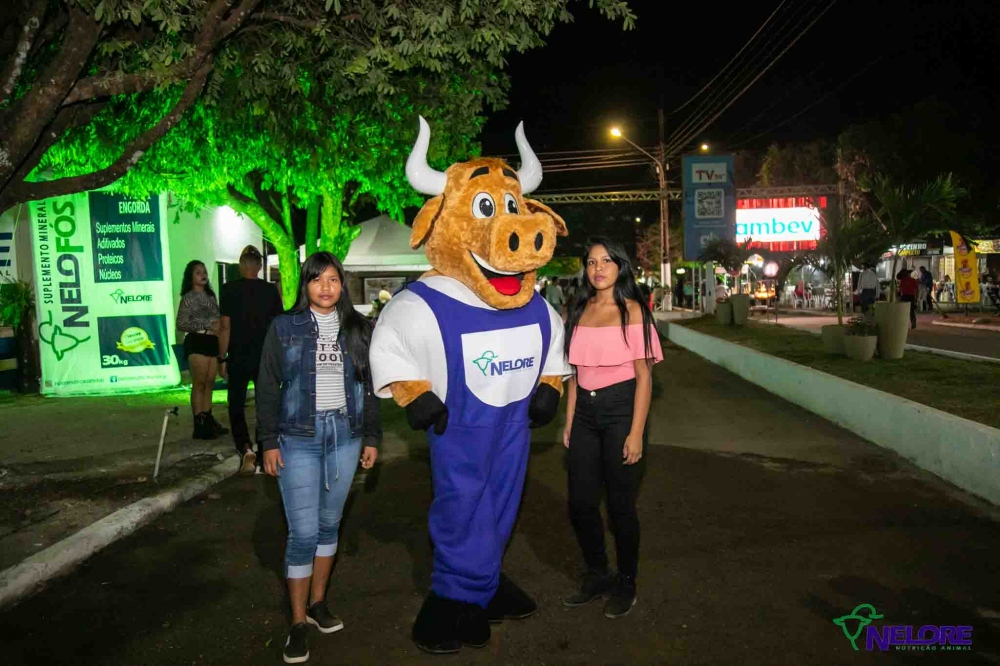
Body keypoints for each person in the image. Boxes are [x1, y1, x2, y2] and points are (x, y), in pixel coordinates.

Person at [257, 252, 382, 665]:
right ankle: (297, 623)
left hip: (345, 435)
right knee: (304, 531)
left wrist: (372, 436)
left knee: (330, 523)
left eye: (333, 279)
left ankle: (318, 603)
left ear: (342, 284)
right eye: (317, 279)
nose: (325, 287)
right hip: (297, 437)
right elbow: (268, 386)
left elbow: (370, 384)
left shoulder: (358, 328)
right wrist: (268, 441)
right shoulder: (284, 327)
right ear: (305, 284)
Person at [561, 238, 663, 620]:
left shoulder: (633, 311)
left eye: (606, 261)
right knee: (581, 503)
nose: (598, 268)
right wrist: (569, 422)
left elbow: (644, 377)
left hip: (621, 411)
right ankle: (597, 573)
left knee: (620, 506)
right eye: (591, 262)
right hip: (584, 416)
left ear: (620, 266)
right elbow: (575, 374)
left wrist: (636, 432)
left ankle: (626, 580)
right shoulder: (579, 309)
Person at [219, 245, 284, 475]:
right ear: (259, 266)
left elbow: (225, 327)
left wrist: (221, 357)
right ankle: (264, 448)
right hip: (264, 356)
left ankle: (245, 447)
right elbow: (278, 326)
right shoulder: (269, 290)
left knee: (236, 404)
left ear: (240, 266)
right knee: (265, 403)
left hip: (238, 354)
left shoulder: (228, 290)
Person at [176, 261, 228, 439]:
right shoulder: (188, 298)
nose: (203, 275)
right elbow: (181, 324)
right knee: (199, 382)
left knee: (210, 382)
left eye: (204, 272)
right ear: (190, 277)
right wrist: (206, 324)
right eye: (198, 272)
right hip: (197, 340)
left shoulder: (211, 296)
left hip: (212, 341)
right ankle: (199, 424)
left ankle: (207, 419)